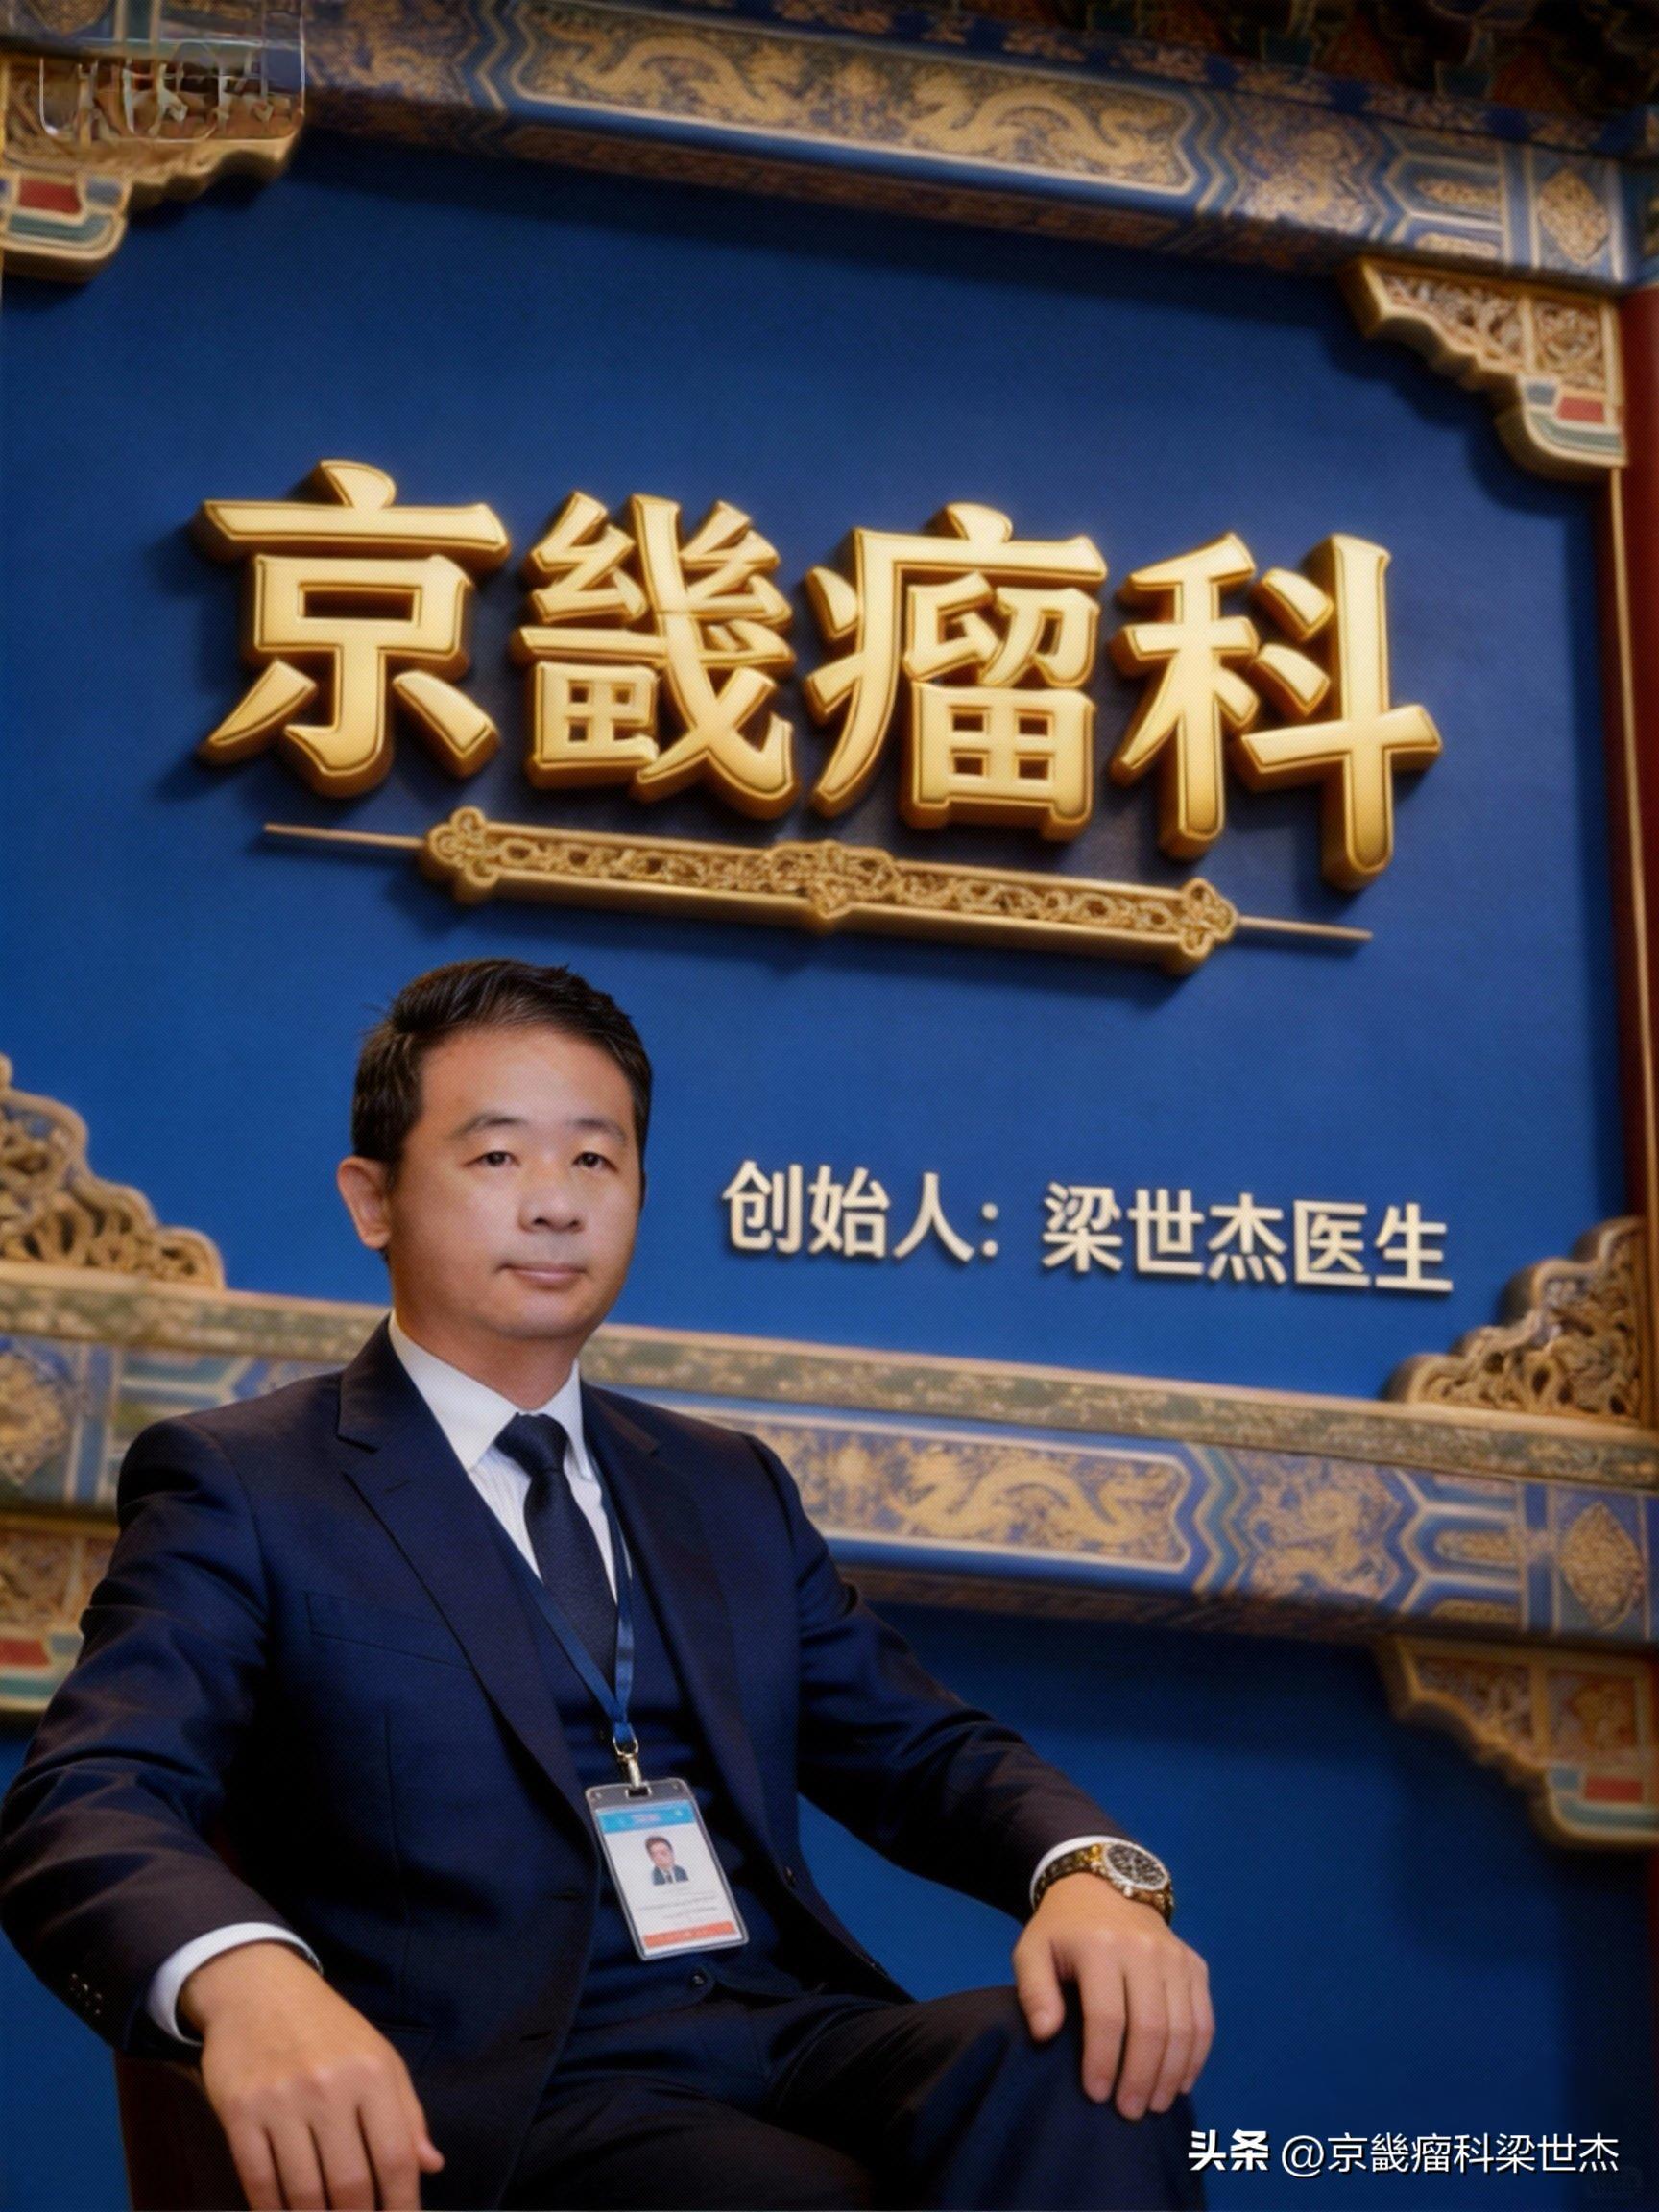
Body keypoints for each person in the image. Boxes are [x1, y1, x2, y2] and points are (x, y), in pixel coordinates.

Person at [0, 957, 1213, 2212]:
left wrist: (1090, 1871)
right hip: (503, 2086)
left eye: (595, 1159)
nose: (556, 1205)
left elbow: (923, 1750)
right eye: (496, 1157)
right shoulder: (249, 1482)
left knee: (1081, 2068)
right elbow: (88, 1798)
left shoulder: (722, 1484)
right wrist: (247, 1978)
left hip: (779, 2024)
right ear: (373, 1199)